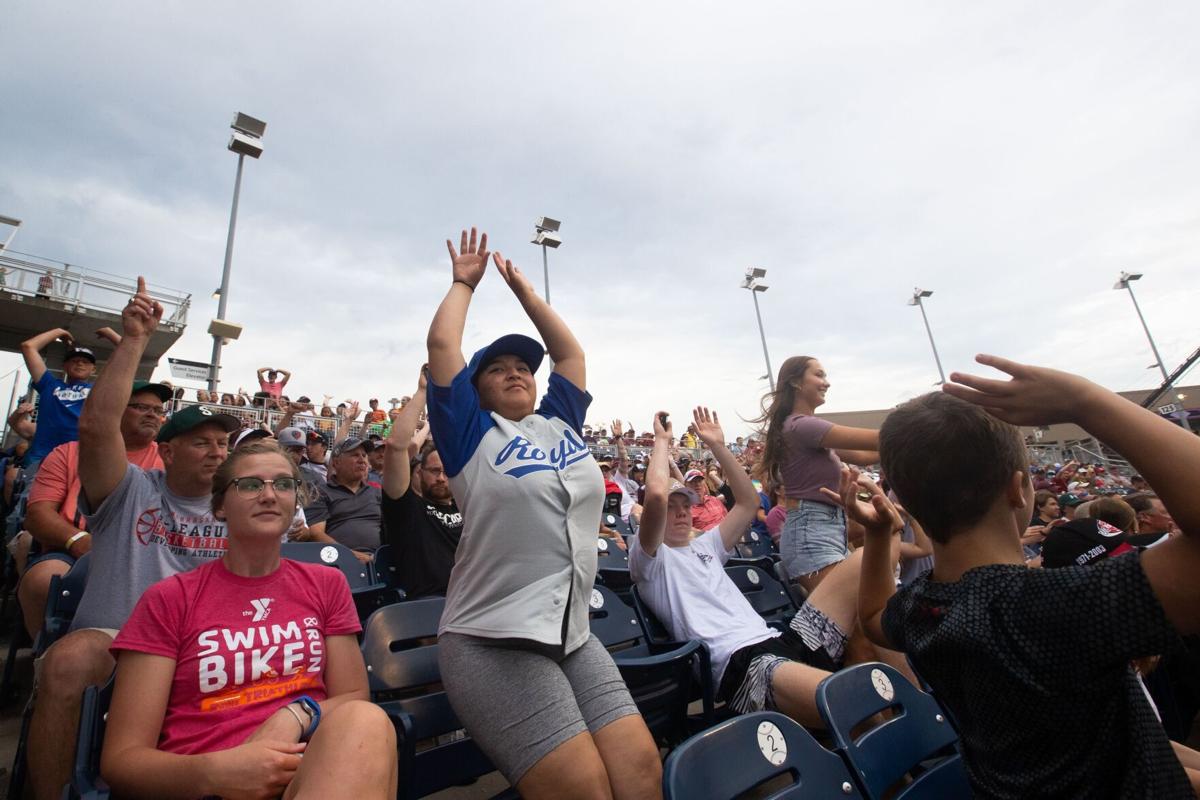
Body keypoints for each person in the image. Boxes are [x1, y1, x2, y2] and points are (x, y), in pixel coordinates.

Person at [857, 354, 1200, 797]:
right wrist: (1084, 399)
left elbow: (871, 614)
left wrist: (879, 532)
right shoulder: (1059, 604)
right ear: (1018, 489)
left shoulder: (922, 609)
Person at [425, 228, 660, 799]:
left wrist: (528, 296)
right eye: (497, 367)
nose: (515, 371)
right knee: (583, 787)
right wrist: (464, 284)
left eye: (522, 365)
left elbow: (571, 355)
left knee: (641, 768)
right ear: (475, 390)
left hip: (571, 631)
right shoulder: (470, 436)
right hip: (491, 638)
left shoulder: (559, 424)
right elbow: (442, 350)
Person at [25, 278, 243, 800]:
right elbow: (98, 427)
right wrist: (134, 341)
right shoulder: (130, 490)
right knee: (70, 658)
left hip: (204, 646)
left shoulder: (238, 506)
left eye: (223, 443)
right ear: (165, 453)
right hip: (118, 636)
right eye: (200, 443)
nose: (217, 453)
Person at [100, 440, 397, 799]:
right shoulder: (169, 599)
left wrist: (296, 714)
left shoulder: (326, 584)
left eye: (284, 484)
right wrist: (214, 773)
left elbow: (353, 694)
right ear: (221, 505)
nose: (270, 495)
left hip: (312, 774)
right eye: (251, 485)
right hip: (206, 782)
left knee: (365, 720)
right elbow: (122, 761)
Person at [632, 409, 870, 727]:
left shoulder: (706, 546)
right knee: (852, 703)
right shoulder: (649, 561)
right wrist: (662, 440)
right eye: (672, 508)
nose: (681, 513)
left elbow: (747, 502)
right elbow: (658, 495)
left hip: (779, 639)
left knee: (864, 558)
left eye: (686, 505)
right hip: (742, 665)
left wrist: (718, 445)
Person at [16, 381, 171, 640]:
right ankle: (47, 662)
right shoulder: (68, 453)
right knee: (43, 579)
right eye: (141, 407)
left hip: (145, 555)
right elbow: (38, 514)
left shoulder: (169, 459)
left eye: (158, 410)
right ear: (114, 409)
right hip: (72, 551)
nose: (152, 414)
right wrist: (79, 540)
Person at [754, 356, 880, 591]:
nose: (827, 383)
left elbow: (866, 454)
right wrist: (925, 424)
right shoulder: (801, 426)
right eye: (819, 375)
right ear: (796, 382)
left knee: (852, 615)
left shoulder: (803, 427)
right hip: (811, 532)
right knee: (848, 616)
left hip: (825, 529)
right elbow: (879, 439)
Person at [380, 367, 463, 598]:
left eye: (447, 472)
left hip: (480, 602)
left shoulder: (470, 507)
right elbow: (397, 446)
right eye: (434, 470)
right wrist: (423, 392)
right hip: (430, 609)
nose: (441, 478)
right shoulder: (407, 509)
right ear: (419, 473)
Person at [20, 327, 105, 470]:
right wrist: (59, 331)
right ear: (64, 366)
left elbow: (131, 357)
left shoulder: (100, 389)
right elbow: (28, 347)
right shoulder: (49, 385)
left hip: (83, 459)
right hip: (43, 457)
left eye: (86, 362)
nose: (80, 363)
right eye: (74, 360)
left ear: (94, 369)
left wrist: (111, 334)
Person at [304, 438, 381, 558]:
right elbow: (316, 534)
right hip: (340, 562)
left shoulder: (377, 492)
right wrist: (352, 556)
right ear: (336, 463)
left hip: (380, 562)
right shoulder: (320, 492)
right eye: (355, 455)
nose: (362, 460)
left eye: (364, 455)